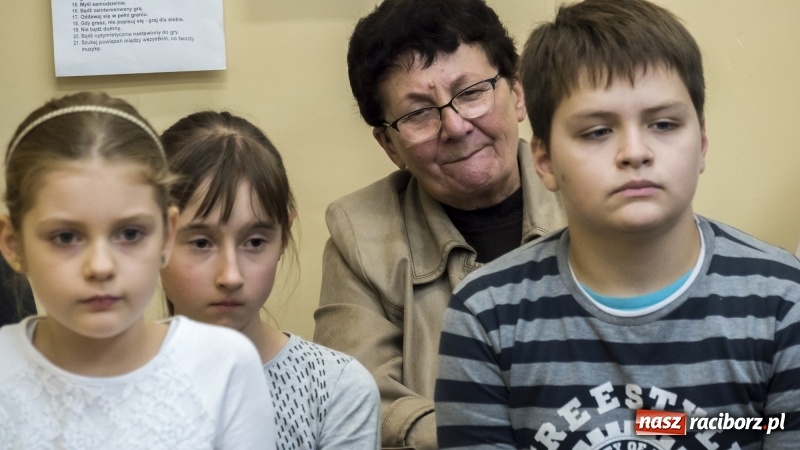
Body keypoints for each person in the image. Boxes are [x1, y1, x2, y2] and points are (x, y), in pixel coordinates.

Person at [435, 0, 800, 448]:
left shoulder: (785, 301)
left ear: (702, 142)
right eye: (597, 131)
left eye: (664, 124)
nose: (635, 152)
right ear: (545, 161)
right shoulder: (484, 315)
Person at [312, 0, 566, 448]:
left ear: (519, 93)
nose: (454, 125)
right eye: (418, 113)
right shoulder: (361, 236)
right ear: (389, 145)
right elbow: (353, 399)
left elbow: (671, 397)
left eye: (472, 92)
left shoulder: (592, 195)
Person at [0, 92, 277, 449]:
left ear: (167, 236)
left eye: (130, 234)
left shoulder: (224, 365)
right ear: (13, 244)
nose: (101, 267)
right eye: (66, 237)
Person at [159, 111, 381, 449]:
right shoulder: (106, 376)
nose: (230, 276)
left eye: (255, 242)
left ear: (283, 238)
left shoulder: (335, 389)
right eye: (201, 243)